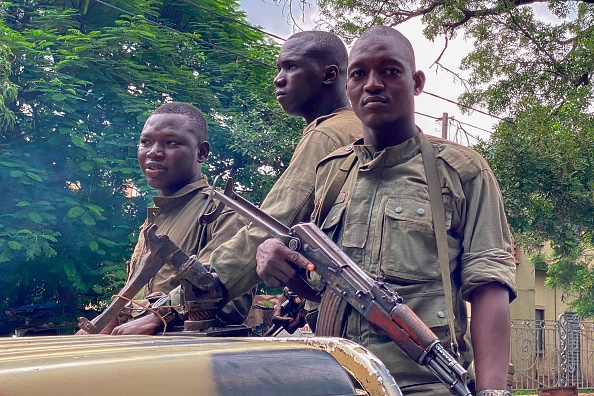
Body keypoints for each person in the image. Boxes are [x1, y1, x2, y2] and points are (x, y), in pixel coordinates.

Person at [256, 26, 517, 396]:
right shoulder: (331, 171)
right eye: (360, 73)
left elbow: (489, 284)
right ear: (347, 85)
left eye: (390, 71)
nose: (373, 84)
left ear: (416, 82)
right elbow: (321, 287)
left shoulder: (462, 171)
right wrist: (278, 264)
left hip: (426, 385)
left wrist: (492, 392)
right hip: (334, 381)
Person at [209, 31, 362, 306]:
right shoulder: (358, 126)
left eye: (291, 67)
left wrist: (184, 299)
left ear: (329, 75)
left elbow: (270, 226)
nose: (278, 78)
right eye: (279, 68)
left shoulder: (326, 135)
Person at [85, 102, 251, 335]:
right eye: (145, 142)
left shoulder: (222, 210)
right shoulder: (155, 218)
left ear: (201, 152)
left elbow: (231, 297)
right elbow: (139, 296)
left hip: (189, 356)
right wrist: (109, 321)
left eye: (171, 143)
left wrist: (160, 317)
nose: (153, 152)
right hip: (140, 350)